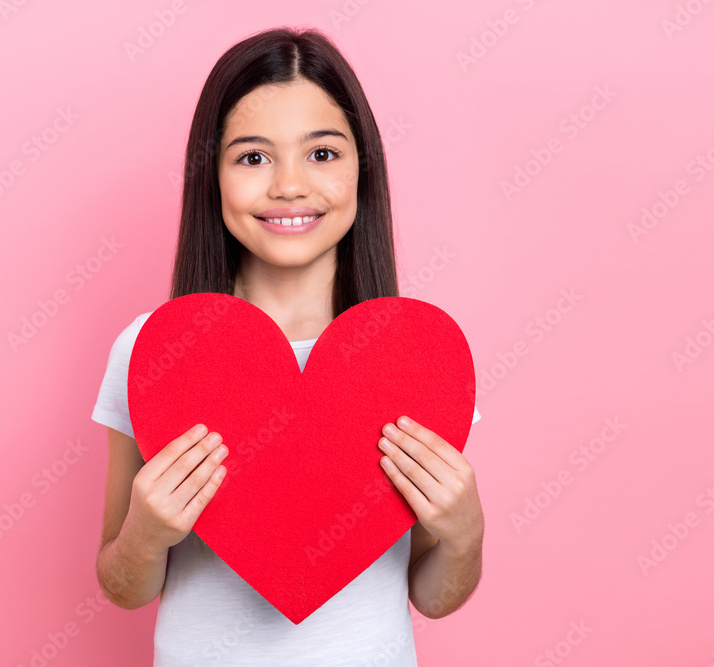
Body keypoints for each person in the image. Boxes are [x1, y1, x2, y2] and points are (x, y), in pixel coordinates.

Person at [91, 26, 485, 666]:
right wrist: (145, 534)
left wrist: (465, 536)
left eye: (322, 153)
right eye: (253, 158)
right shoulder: (151, 351)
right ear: (212, 177)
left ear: (363, 168)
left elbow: (431, 595)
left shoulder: (416, 360)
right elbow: (122, 585)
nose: (290, 186)